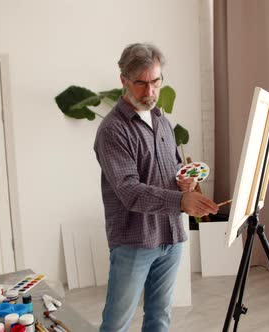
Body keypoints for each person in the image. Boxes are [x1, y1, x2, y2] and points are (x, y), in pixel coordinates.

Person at [93, 42, 218, 332]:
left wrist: (184, 181)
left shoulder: (162, 121)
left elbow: (171, 172)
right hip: (134, 242)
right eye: (140, 83)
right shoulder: (112, 130)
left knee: (160, 317)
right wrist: (181, 202)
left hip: (171, 237)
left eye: (155, 82)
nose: (149, 92)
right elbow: (129, 191)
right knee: (116, 323)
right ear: (123, 80)